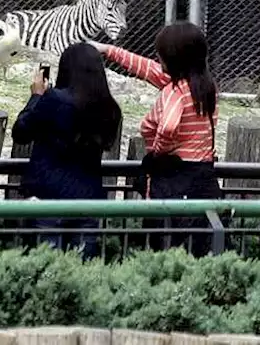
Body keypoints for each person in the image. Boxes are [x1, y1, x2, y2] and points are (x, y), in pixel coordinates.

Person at [95, 22, 221, 256]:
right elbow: (148, 69)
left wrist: (158, 151)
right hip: (203, 175)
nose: (158, 59)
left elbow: (169, 126)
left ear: (174, 60)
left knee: (167, 243)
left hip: (175, 178)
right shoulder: (204, 87)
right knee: (199, 244)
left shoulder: (176, 92)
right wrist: (109, 50)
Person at [11, 42, 122, 257]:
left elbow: (21, 132)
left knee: (48, 271)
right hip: (88, 201)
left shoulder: (55, 100)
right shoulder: (110, 109)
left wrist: (36, 97)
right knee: (82, 272)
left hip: (49, 199)